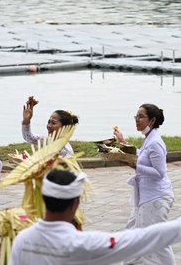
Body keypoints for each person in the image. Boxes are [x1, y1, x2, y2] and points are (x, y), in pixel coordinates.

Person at [10, 169, 181, 265]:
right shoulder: (82, 244)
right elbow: (143, 239)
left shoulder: (22, 239)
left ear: (43, 199)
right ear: (75, 203)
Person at [113, 103, 174, 264]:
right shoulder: (149, 139)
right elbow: (141, 154)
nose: (137, 120)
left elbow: (160, 172)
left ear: (152, 120)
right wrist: (123, 143)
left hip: (156, 198)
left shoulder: (155, 142)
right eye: (136, 116)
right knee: (132, 233)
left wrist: (135, 166)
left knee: (157, 241)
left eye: (141, 116)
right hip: (145, 198)